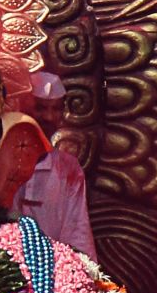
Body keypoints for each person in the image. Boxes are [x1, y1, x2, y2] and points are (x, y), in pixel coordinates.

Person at [12, 71, 97, 258]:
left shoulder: (68, 168)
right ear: (24, 108)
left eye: (56, 108)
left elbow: (77, 231)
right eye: (41, 108)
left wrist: (80, 276)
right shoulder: (2, 161)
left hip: (52, 275)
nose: (49, 117)